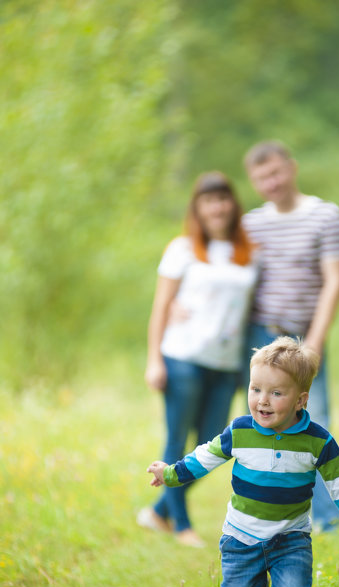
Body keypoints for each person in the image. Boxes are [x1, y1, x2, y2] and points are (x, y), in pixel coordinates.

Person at [146, 337, 339, 587]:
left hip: (291, 541)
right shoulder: (240, 432)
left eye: (276, 393)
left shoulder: (318, 442)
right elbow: (204, 457)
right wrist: (170, 474)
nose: (262, 401)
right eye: (255, 390)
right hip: (241, 539)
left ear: (300, 400)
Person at [137, 172, 258, 547]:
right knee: (177, 441)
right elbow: (160, 307)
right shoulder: (183, 248)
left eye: (223, 198)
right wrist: (154, 360)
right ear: (198, 208)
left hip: (225, 364)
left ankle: (158, 512)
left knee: (213, 446)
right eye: (209, 200)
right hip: (183, 357)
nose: (217, 206)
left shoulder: (249, 252)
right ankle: (182, 526)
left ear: (233, 204)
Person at [242, 140, 339, 532]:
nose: (270, 183)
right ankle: (271, 511)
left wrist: (315, 342)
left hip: (304, 334)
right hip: (258, 336)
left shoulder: (325, 216)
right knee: (264, 421)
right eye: (260, 178)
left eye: (275, 173)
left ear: (292, 168)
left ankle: (326, 518)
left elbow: (335, 280)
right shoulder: (252, 223)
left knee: (314, 420)